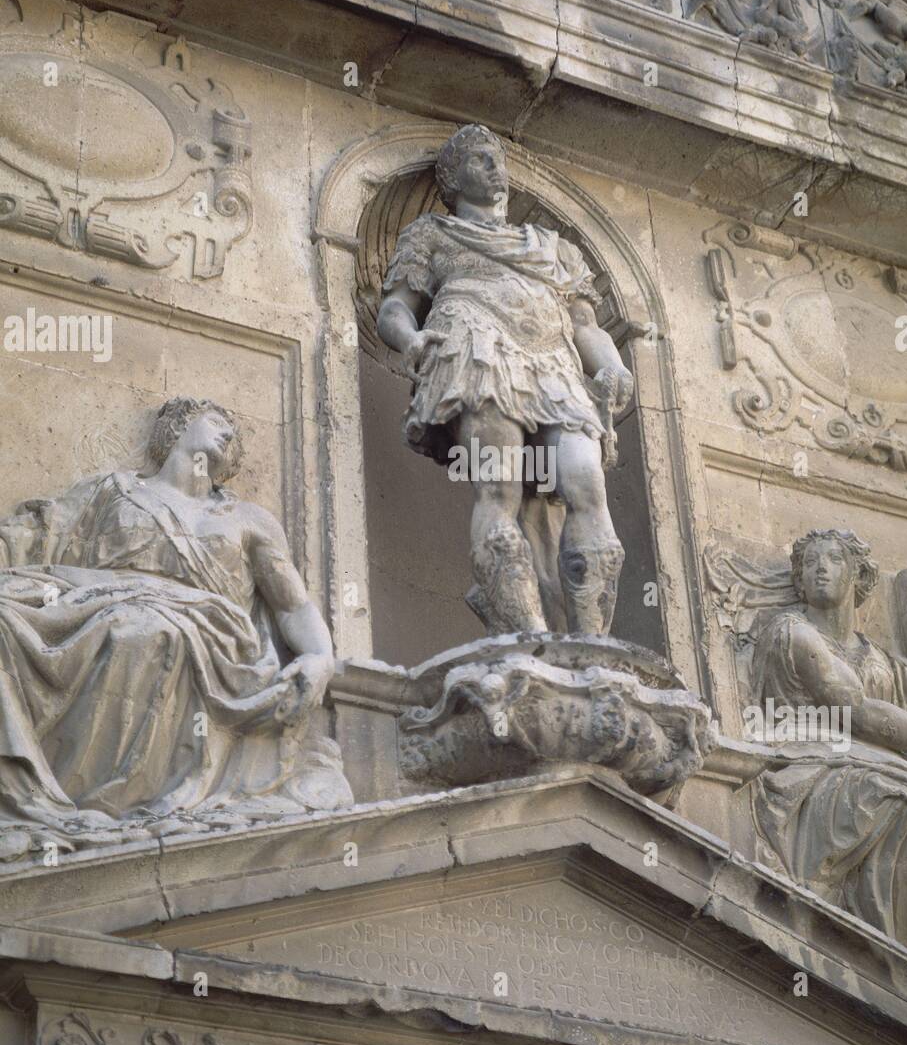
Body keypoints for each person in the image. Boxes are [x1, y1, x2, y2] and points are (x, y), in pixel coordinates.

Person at [0, 397, 347, 844]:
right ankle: (34, 792)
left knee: (142, 630)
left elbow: (291, 605)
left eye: (234, 432)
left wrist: (320, 657)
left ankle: (112, 799)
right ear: (178, 427)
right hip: (91, 602)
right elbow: (39, 533)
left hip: (202, 631)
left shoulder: (247, 519)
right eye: (217, 421)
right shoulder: (113, 491)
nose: (228, 433)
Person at [377, 123, 633, 635]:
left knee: (585, 481)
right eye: (479, 159)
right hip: (478, 349)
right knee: (500, 488)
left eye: (499, 158)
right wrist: (410, 340)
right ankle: (526, 634)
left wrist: (612, 365)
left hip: (555, 364)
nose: (496, 168)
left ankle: (591, 641)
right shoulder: (432, 233)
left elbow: (585, 324)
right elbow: (394, 307)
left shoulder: (553, 247)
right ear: (451, 178)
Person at [750, 528, 907, 1002]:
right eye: (809, 563)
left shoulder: (890, 664)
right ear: (799, 581)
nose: (820, 568)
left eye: (833, 560)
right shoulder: (791, 633)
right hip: (815, 770)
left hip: (888, 768)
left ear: (859, 577)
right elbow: (853, 710)